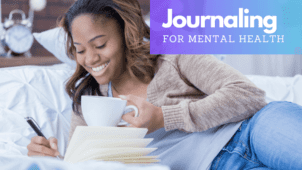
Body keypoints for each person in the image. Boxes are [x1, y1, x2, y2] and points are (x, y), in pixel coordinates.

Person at [27, 0, 302, 169]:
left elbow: (248, 95)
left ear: (125, 34)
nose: (90, 59)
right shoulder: (87, 100)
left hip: (254, 130)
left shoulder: (173, 56)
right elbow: (86, 162)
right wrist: (55, 160)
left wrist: (163, 117)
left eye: (100, 44)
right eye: (79, 49)